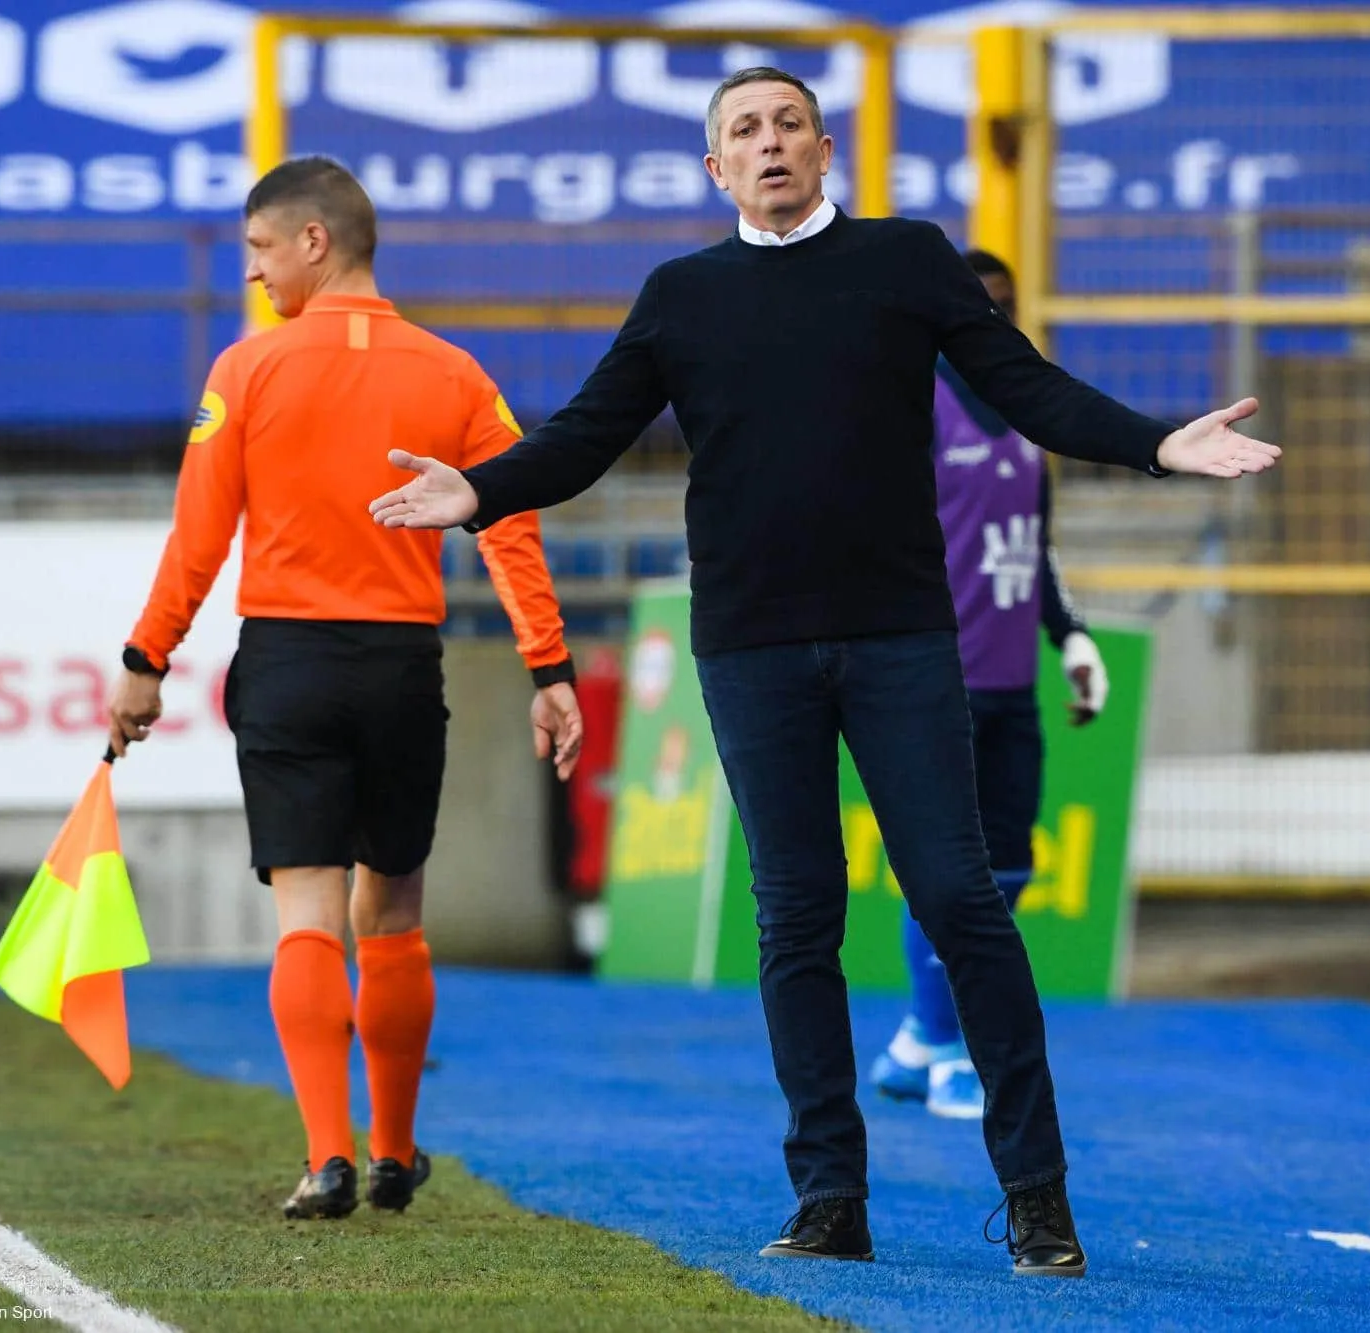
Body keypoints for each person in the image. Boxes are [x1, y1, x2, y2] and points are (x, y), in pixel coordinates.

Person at [369, 67, 1279, 1275]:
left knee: (958, 896)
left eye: (787, 123)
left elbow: (1025, 391)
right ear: (715, 169)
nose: (768, 142)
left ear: (822, 146)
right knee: (794, 917)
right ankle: (828, 1202)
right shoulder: (680, 294)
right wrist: (478, 489)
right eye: (742, 130)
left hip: (901, 636)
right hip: (748, 647)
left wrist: (1158, 446)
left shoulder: (907, 260)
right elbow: (585, 437)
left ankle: (1038, 1200)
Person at [108, 156, 585, 1218]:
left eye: (261, 250)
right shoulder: (457, 374)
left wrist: (146, 663)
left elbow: (197, 539)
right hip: (398, 667)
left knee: (307, 914)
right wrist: (545, 666)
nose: (254, 274)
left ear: (314, 241)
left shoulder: (245, 369)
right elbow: (509, 522)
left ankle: (324, 1154)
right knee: (396, 910)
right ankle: (394, 1150)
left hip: (286, 663)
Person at [868, 248, 1107, 1122]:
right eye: (980, 304)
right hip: (938, 676)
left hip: (1012, 681)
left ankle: (916, 1039)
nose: (994, 318)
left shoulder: (1022, 413)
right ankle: (953, 1048)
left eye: (1007, 304)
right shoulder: (914, 404)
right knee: (950, 873)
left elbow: (1033, 551)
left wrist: (1072, 637)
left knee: (1006, 869)